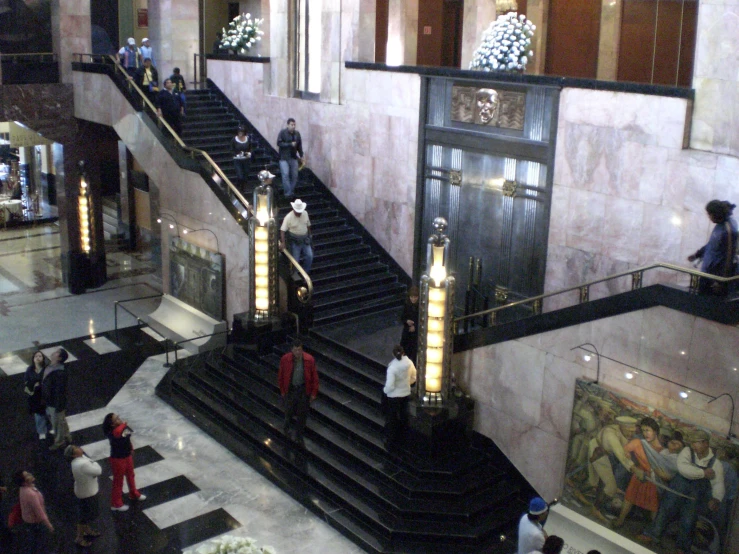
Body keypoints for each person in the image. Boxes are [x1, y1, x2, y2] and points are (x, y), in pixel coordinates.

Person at [638, 429, 724, 554]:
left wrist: (716, 498)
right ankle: (652, 534)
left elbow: (718, 483)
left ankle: (682, 548)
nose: (693, 446)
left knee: (689, 520)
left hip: (694, 495)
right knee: (665, 509)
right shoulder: (687, 452)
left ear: (706, 443)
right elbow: (683, 469)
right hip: (677, 488)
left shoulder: (716, 463)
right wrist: (703, 473)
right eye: (692, 443)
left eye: (697, 443)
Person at [613, 417, 664, 527]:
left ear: (655, 431)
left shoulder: (663, 450)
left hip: (653, 479)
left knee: (653, 505)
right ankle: (620, 520)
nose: (645, 433)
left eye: (648, 430)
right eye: (643, 430)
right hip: (639, 474)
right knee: (629, 498)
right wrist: (628, 458)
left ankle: (652, 531)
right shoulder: (638, 443)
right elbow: (622, 451)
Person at [688, 199, 737, 295]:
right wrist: (697, 254)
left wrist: (721, 281)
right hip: (707, 272)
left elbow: (729, 258)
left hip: (716, 277)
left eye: (709, 214)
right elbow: (711, 244)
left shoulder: (729, 229)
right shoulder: (719, 225)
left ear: (716, 214)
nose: (708, 217)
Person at [278, 339, 319, 448]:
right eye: (295, 350)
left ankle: (298, 434)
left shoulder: (309, 360)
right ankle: (286, 426)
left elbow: (314, 377)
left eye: (299, 350)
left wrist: (313, 393)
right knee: (289, 410)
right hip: (290, 390)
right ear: (292, 350)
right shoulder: (285, 359)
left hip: (303, 390)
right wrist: (282, 390)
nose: (297, 352)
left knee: (302, 413)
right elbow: (281, 375)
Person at [103, 413, 146, 511]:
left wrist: (131, 448)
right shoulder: (114, 432)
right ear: (112, 424)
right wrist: (124, 425)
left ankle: (133, 493)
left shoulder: (122, 429)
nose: (120, 419)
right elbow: (121, 434)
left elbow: (127, 439)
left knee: (131, 475)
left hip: (126, 456)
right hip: (118, 459)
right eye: (117, 419)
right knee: (118, 481)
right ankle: (116, 503)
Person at [65, 445, 102, 547]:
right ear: (74, 454)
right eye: (75, 448)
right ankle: (79, 538)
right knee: (85, 516)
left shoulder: (77, 461)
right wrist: (94, 463)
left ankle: (87, 531)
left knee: (85, 514)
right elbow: (98, 470)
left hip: (83, 490)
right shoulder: (83, 464)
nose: (78, 447)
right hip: (88, 492)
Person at [382, 345, 417, 447]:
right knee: (403, 415)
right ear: (403, 352)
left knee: (392, 418)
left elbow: (390, 385)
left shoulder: (392, 368)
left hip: (393, 396)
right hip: (405, 393)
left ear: (393, 354)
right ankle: (403, 438)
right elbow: (414, 377)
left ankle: (390, 440)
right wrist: (407, 384)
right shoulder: (409, 363)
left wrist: (385, 391)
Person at [15, 470, 54, 553]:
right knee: (37, 543)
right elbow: (39, 512)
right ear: (24, 482)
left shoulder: (23, 489)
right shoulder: (31, 494)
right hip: (35, 522)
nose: (30, 474)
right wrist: (49, 525)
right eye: (27, 475)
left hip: (27, 519)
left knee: (32, 540)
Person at [43, 348, 72, 451]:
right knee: (61, 420)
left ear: (59, 357)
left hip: (55, 403)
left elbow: (59, 391)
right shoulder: (51, 367)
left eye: (56, 353)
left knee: (56, 423)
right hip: (51, 401)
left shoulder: (59, 373)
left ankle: (59, 442)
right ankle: (67, 436)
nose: (53, 353)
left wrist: (58, 406)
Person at [280, 199, 313, 274]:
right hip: (295, 241)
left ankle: (305, 273)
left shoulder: (305, 213)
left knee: (309, 256)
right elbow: (282, 230)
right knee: (295, 260)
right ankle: (295, 275)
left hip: (305, 239)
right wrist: (283, 242)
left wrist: (310, 235)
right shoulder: (288, 217)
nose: (299, 213)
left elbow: (308, 225)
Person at [276, 118, 304, 198]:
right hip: (284, 157)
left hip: (293, 157)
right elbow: (279, 143)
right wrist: (289, 144)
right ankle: (287, 193)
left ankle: (291, 191)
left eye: (294, 125)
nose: (293, 126)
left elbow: (299, 146)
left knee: (295, 175)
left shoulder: (297, 134)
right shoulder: (282, 133)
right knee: (285, 174)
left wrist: (301, 156)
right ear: (288, 125)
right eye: (291, 125)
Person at [24, 351, 48, 440]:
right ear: (33, 359)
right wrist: (33, 385)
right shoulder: (29, 369)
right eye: (36, 356)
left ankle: (52, 427)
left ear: (43, 358)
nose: (38, 357)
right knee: (39, 414)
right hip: (35, 396)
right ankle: (42, 431)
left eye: (40, 356)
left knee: (49, 413)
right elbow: (26, 381)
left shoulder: (46, 369)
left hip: (45, 394)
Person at [399, 286, 419, 364]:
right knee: (405, 349)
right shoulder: (407, 305)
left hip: (416, 334)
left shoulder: (420, 307)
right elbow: (402, 317)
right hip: (407, 331)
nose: (413, 299)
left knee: (413, 352)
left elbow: (422, 319)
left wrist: (415, 326)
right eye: (412, 297)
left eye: (415, 297)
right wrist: (407, 321)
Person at [231, 125, 252, 190]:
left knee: (245, 175)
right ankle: (239, 186)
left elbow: (250, 148)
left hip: (246, 160)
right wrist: (236, 155)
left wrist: (249, 153)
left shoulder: (247, 139)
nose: (240, 133)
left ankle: (243, 187)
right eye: (239, 132)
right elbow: (231, 150)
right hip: (237, 160)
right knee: (240, 175)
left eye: (242, 132)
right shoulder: (234, 140)